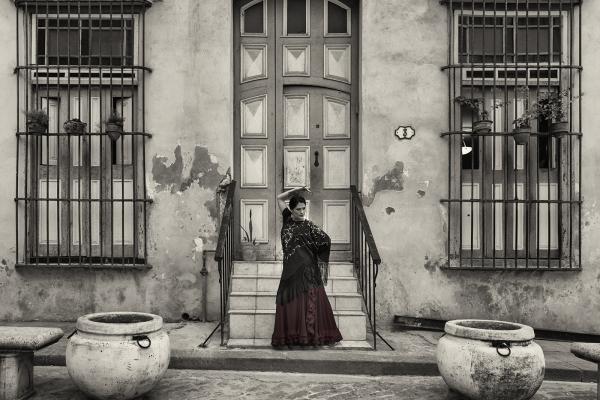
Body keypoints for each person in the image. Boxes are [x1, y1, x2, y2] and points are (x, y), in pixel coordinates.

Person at [271, 186, 343, 348]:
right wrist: (297, 190)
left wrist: (316, 258)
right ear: (291, 209)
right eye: (298, 209)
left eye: (304, 209)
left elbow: (326, 240)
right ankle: (293, 336)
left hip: (307, 270)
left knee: (308, 304)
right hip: (290, 270)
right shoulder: (287, 218)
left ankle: (309, 336)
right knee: (290, 302)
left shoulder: (309, 226)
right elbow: (279, 197)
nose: (302, 212)